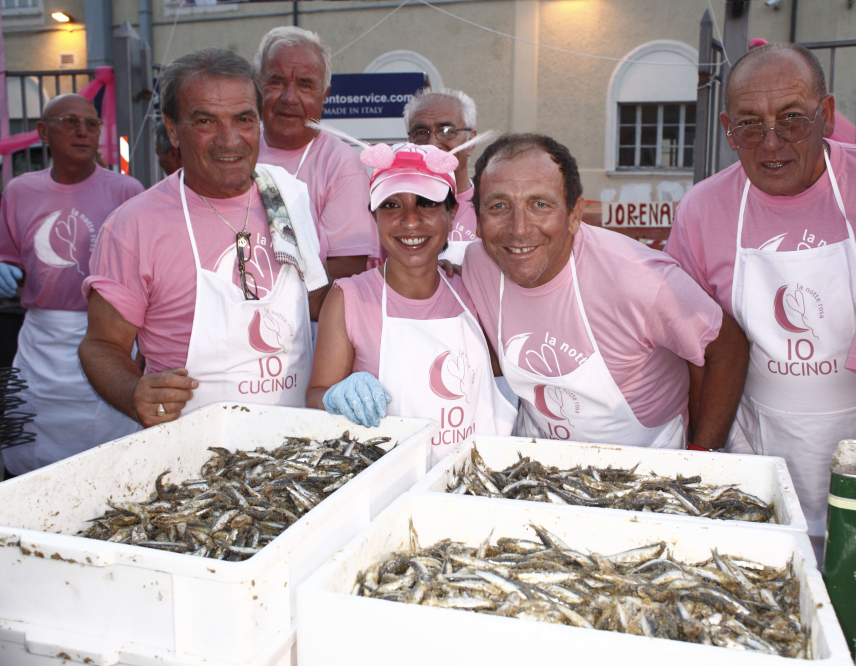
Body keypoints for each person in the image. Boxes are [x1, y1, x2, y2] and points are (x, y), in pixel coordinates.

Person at [665, 43, 856, 546]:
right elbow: (695, 347)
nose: (771, 144)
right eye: (749, 125)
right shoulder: (703, 211)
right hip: (757, 449)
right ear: (727, 128)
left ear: (828, 115)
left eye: (792, 119)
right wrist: (699, 454)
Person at [79, 48, 328, 429]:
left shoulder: (291, 199)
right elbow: (102, 345)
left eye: (243, 119)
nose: (229, 141)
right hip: (193, 454)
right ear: (173, 128)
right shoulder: (134, 226)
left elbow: (319, 306)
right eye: (206, 121)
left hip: (296, 441)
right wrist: (133, 393)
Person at [464, 133, 749, 450]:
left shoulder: (639, 277)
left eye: (540, 204)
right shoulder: (476, 265)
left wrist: (701, 453)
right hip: (539, 454)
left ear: (574, 215)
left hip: (647, 461)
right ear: (476, 220)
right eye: (499, 205)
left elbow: (728, 348)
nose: (518, 229)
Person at [307, 141, 516, 464]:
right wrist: (335, 396)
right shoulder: (349, 298)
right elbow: (317, 394)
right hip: (389, 483)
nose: (410, 221)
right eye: (391, 205)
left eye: (427, 204)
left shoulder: (473, 288)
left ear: (452, 213)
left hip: (476, 479)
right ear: (373, 216)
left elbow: (509, 368)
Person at [0, 93, 144, 478]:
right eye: (69, 121)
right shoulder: (18, 191)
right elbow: (10, 254)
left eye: (92, 123)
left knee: (107, 444)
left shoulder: (127, 191)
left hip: (108, 333)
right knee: (30, 439)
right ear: (43, 131)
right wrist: (4, 267)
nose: (83, 131)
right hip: (40, 342)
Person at [255, 26, 378, 279]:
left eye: (305, 85)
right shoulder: (236, 148)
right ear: (257, 87)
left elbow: (344, 274)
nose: (289, 98)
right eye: (277, 81)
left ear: (324, 96)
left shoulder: (341, 165)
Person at [404, 88, 480, 264]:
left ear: (470, 142)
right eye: (421, 133)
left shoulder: (491, 207)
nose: (432, 144)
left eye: (446, 131)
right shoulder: (392, 207)